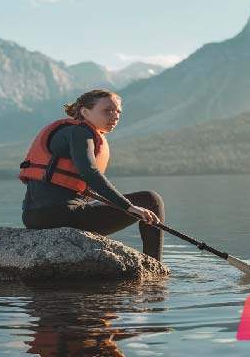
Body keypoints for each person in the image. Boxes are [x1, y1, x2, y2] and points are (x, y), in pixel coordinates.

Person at [20, 89, 165, 261]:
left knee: (137, 202)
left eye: (118, 111)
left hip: (33, 217)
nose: (115, 115)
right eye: (107, 110)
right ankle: (155, 265)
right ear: (85, 112)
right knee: (150, 200)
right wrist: (129, 207)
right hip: (62, 216)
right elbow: (90, 172)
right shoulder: (80, 132)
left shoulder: (69, 131)